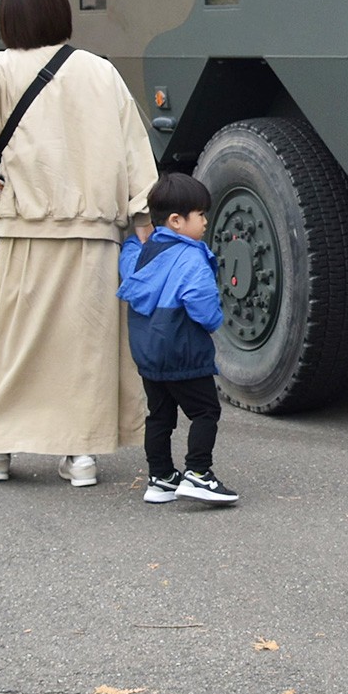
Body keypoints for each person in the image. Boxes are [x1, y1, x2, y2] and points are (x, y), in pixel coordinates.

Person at [0, 0, 157, 487]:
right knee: (86, 349)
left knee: (16, 344)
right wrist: (144, 225)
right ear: (61, 15)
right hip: (93, 234)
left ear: (8, 22)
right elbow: (135, 154)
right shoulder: (101, 74)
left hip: (25, 229)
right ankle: (80, 457)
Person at [117, 172, 238, 506]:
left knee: (159, 416)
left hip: (148, 355)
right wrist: (214, 321)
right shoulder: (191, 256)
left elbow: (127, 261)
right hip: (184, 352)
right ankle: (199, 473)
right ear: (176, 221)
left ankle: (161, 478)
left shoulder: (144, 253)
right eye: (200, 214)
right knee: (204, 412)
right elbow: (200, 301)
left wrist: (132, 241)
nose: (205, 221)